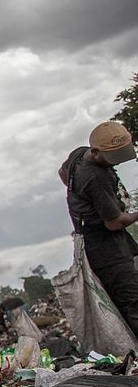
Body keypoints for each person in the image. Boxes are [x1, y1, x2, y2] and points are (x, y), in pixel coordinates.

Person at [60, 120, 138, 337]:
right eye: (112, 158)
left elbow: (62, 172)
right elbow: (114, 223)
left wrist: (82, 200)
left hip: (91, 241)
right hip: (106, 247)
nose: (116, 163)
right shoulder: (97, 177)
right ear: (95, 152)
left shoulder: (78, 154)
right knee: (132, 300)